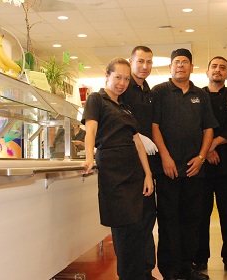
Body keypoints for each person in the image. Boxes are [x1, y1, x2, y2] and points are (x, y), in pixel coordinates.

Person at [81, 57, 154, 280]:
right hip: (113, 172)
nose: (122, 83)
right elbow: (90, 131)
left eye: (125, 79)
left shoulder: (124, 107)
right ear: (107, 76)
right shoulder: (97, 99)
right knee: (124, 231)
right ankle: (127, 276)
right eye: (117, 77)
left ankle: (140, 275)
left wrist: (148, 174)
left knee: (140, 228)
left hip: (135, 172)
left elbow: (138, 143)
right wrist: (88, 157)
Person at [151, 48, 218, 280]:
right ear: (170, 67)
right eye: (177, 62)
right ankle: (169, 271)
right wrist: (165, 157)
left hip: (194, 170)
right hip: (168, 169)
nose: (181, 66)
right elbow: (154, 126)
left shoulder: (201, 95)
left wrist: (201, 158)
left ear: (191, 67)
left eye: (185, 62)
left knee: (192, 221)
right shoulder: (159, 92)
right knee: (169, 221)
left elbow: (208, 128)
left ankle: (187, 268)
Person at [192, 56, 227, 275]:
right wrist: (207, 151)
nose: (218, 70)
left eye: (223, 67)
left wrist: (213, 144)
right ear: (207, 72)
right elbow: (194, 126)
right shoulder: (196, 96)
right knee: (200, 214)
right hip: (202, 166)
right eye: (214, 66)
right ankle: (199, 258)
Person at [121, 45, 159, 280]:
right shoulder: (124, 89)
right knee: (134, 223)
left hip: (148, 166)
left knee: (148, 219)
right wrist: (137, 136)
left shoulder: (148, 90)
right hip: (129, 166)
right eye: (140, 61)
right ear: (131, 61)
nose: (145, 66)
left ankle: (147, 270)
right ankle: (134, 273)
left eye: (149, 62)